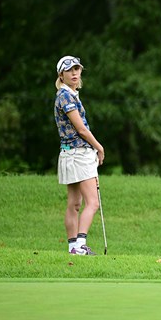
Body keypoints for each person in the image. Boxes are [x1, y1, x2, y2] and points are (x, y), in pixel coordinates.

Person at [54, 56, 105, 255]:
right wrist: (99, 147)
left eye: (77, 69)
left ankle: (74, 247)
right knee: (92, 202)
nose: (74, 73)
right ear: (61, 75)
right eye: (70, 70)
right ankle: (80, 245)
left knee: (75, 204)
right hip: (78, 154)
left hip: (70, 154)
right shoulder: (65, 96)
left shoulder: (70, 94)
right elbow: (82, 130)